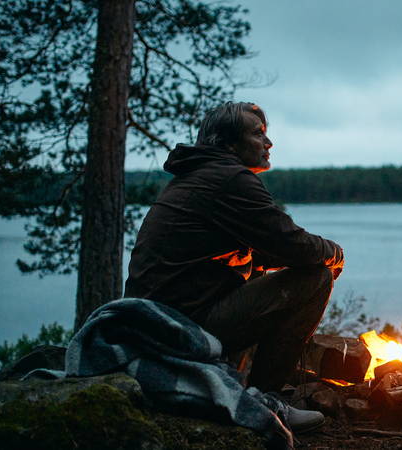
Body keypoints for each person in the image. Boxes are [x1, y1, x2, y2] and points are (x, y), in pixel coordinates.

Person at [125, 101, 344, 433]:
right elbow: (292, 244)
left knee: (258, 269)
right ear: (227, 144)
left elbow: (266, 251)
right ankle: (266, 401)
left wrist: (294, 257)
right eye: (258, 134)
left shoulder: (202, 176)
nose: (268, 143)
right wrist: (334, 253)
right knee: (315, 277)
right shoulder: (229, 178)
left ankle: (244, 386)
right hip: (179, 329)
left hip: (159, 322)